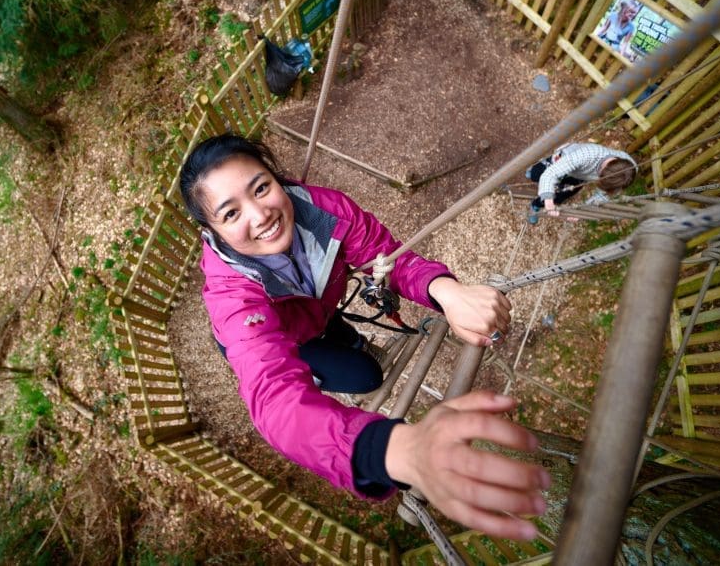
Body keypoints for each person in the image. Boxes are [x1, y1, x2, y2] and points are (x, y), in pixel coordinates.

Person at [180, 133, 550, 540]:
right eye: (231, 214)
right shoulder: (232, 295)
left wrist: (445, 291)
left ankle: (343, 340)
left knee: (344, 337)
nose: (260, 215)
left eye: (261, 188)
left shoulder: (323, 211)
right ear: (210, 230)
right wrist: (393, 450)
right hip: (285, 337)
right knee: (365, 377)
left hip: (319, 311)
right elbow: (275, 398)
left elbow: (384, 256)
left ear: (276, 178)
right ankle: (325, 361)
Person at [527, 142, 637, 224]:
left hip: (581, 175)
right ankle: (532, 170)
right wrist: (548, 202)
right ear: (602, 170)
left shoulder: (626, 174)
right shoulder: (588, 154)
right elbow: (551, 173)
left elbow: (602, 196)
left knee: (560, 195)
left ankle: (536, 205)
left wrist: (581, 212)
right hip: (564, 158)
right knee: (537, 175)